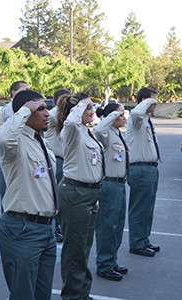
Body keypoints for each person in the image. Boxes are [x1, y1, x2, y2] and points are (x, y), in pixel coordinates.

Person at [0, 90, 58, 300]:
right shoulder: (14, 142)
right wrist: (24, 111)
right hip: (23, 229)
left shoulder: (40, 140)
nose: (46, 113)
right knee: (23, 294)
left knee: (42, 294)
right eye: (39, 109)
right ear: (25, 113)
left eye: (46, 108)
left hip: (46, 228)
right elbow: (2, 139)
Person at [57, 92, 103, 300]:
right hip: (75, 193)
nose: (93, 112)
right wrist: (80, 105)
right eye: (89, 109)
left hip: (90, 193)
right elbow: (69, 124)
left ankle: (82, 292)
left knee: (84, 247)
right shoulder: (72, 130)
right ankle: (73, 295)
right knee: (74, 249)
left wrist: (85, 106)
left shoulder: (86, 131)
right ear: (77, 111)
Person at [94, 103, 129, 281]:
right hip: (109, 185)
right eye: (121, 115)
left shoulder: (117, 133)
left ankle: (112, 260)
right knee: (107, 226)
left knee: (118, 226)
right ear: (112, 117)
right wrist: (113, 114)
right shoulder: (105, 133)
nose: (124, 118)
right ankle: (104, 264)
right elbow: (99, 129)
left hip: (120, 185)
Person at [126, 87, 160, 257]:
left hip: (150, 168)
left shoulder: (146, 119)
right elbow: (135, 114)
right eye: (153, 100)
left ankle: (143, 239)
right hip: (140, 168)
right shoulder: (137, 118)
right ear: (145, 101)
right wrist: (146, 102)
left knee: (148, 207)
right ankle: (137, 243)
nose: (156, 103)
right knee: (140, 208)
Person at [0, 80, 30, 207]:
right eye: (24, 90)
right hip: (10, 159)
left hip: (24, 159)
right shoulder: (9, 109)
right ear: (14, 92)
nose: (28, 93)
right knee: (8, 202)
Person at [44, 88, 71, 243]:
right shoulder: (52, 115)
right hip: (56, 159)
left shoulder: (63, 116)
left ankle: (58, 226)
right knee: (54, 195)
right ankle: (54, 228)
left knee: (60, 197)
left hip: (65, 160)